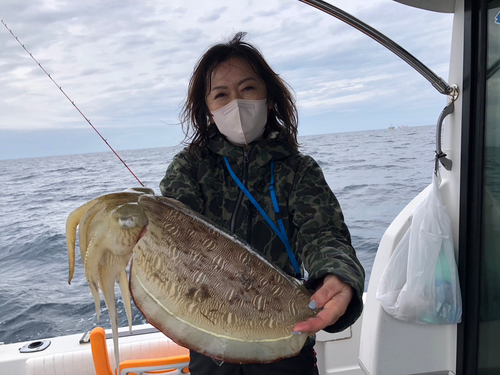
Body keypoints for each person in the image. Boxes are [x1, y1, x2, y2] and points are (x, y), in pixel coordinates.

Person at [160, 32, 365, 375]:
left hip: (284, 342)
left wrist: (337, 274)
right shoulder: (190, 167)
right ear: (208, 110)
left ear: (269, 98)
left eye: (248, 88)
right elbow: (174, 234)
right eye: (221, 94)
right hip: (211, 343)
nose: (235, 103)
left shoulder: (299, 170)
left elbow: (324, 235)